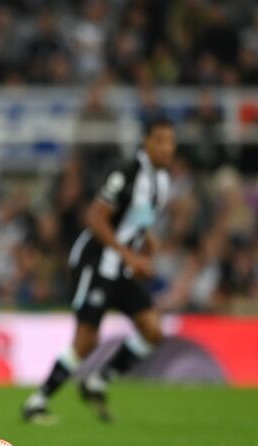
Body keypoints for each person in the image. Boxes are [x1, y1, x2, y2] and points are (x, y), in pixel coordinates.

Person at [22, 116, 176, 423]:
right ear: (146, 142)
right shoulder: (126, 173)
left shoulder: (162, 181)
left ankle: (97, 381)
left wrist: (147, 241)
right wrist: (128, 255)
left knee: (153, 331)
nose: (166, 147)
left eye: (170, 141)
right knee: (86, 340)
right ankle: (36, 402)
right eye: (159, 140)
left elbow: (136, 220)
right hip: (96, 262)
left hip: (122, 266)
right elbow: (95, 217)